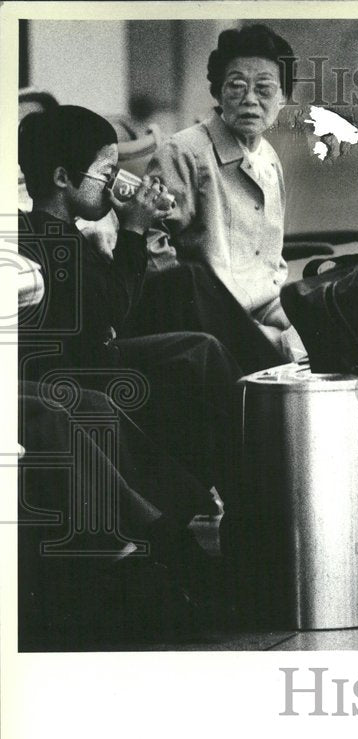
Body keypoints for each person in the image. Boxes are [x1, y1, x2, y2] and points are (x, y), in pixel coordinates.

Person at [17, 105, 243, 639]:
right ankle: (180, 540)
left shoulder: (71, 230)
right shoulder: (43, 238)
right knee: (184, 360)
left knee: (199, 348)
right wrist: (133, 229)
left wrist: (130, 230)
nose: (114, 184)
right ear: (62, 179)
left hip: (92, 360)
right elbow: (108, 311)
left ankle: (253, 477)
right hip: (74, 371)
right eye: (105, 172)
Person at [140, 23, 305, 369]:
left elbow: (271, 260)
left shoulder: (269, 159)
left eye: (264, 89)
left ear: (283, 99)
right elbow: (151, 245)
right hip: (209, 316)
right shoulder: (184, 152)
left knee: (341, 334)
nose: (250, 100)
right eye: (236, 86)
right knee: (292, 362)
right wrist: (225, 321)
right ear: (217, 93)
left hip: (267, 306)